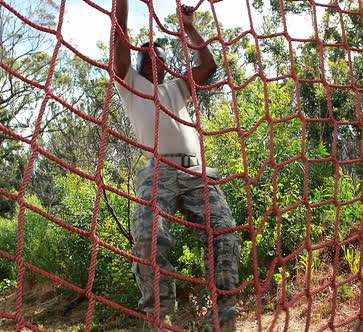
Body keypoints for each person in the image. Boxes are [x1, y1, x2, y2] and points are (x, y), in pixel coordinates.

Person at [112, 1, 241, 329]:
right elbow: (119, 41)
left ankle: (223, 312)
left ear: (168, 66)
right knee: (147, 237)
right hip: (159, 171)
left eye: (160, 57)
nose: (154, 59)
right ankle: (160, 316)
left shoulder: (175, 88)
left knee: (225, 232)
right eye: (147, 55)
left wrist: (188, 27)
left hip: (197, 172)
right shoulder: (130, 84)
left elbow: (209, 65)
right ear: (139, 62)